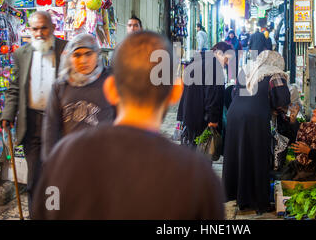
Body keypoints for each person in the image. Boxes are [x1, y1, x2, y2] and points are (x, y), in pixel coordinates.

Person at [32, 31, 225, 219]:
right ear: (175, 92)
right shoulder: (197, 177)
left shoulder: (64, 157)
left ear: (110, 89)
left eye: (88, 53)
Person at [0, 11, 68, 218]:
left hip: (59, 125)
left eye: (43, 28)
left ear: (53, 28)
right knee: (35, 178)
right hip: (32, 124)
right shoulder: (21, 54)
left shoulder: (66, 50)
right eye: (34, 29)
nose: (39, 33)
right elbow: (14, 88)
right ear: (29, 30)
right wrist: (7, 115)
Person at [223, 50, 291, 214]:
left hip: (234, 115)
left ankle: (240, 197)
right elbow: (282, 100)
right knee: (257, 156)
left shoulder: (247, 69)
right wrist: (278, 111)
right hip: (255, 119)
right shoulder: (275, 74)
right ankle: (258, 201)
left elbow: (233, 92)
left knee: (239, 155)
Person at [41, 34, 115, 161]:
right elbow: (50, 127)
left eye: (88, 54)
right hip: (70, 160)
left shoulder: (110, 82)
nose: (83, 60)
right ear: (69, 57)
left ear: (97, 54)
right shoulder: (60, 86)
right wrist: (50, 162)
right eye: (77, 55)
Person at [177, 42, 231, 148]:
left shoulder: (195, 62)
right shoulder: (214, 67)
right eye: (227, 58)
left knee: (191, 153)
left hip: (189, 116)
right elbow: (213, 96)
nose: (227, 63)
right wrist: (213, 120)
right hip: (203, 121)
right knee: (203, 154)